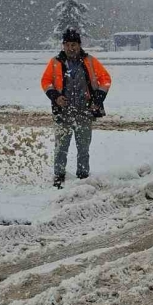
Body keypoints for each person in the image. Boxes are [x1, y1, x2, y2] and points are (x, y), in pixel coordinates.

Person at [41, 28, 112, 188]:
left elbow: (106, 79)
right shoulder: (55, 62)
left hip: (84, 112)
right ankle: (59, 176)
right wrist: (55, 97)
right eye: (67, 45)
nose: (70, 48)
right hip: (63, 114)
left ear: (79, 45)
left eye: (73, 45)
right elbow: (45, 81)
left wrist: (97, 99)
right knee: (61, 148)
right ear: (63, 45)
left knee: (83, 148)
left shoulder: (90, 61)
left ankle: (83, 176)